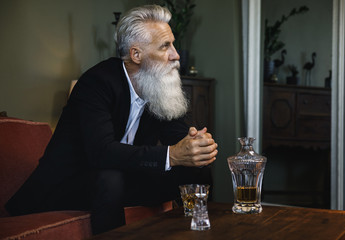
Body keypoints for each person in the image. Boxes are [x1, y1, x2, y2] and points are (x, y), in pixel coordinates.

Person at [5, 4, 218, 235]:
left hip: (119, 181)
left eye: (173, 44)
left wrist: (196, 146)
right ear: (136, 54)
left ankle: (200, 233)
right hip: (65, 185)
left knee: (198, 171)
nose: (175, 55)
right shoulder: (96, 83)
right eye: (165, 46)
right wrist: (172, 155)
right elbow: (101, 153)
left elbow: (179, 137)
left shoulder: (158, 86)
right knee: (110, 176)